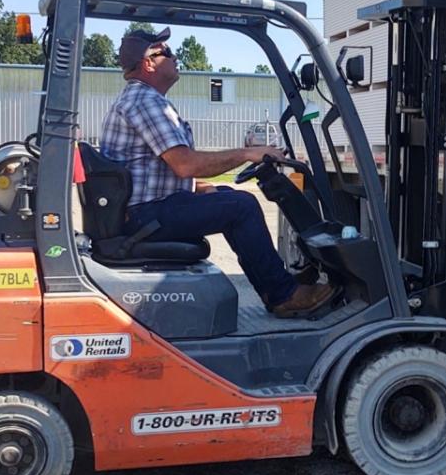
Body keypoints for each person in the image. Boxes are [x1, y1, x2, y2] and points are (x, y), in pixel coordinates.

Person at [99, 27, 334, 319]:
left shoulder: (139, 100)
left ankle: (280, 287)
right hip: (145, 216)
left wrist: (197, 187)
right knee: (241, 206)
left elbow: (151, 166)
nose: (175, 58)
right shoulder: (145, 101)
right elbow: (185, 163)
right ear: (149, 63)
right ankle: (283, 295)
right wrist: (247, 153)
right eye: (167, 53)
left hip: (146, 210)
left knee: (224, 196)